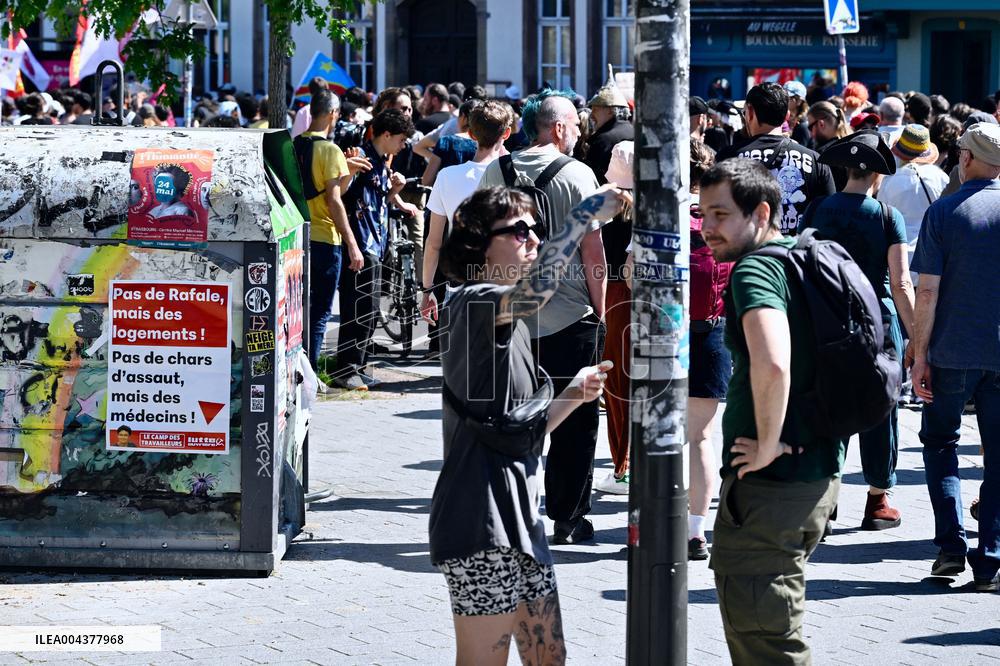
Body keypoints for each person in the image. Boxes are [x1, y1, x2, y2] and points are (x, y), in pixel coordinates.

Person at [429, 185, 623, 665]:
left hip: (519, 521)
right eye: (519, 230)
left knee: (547, 658)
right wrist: (580, 218)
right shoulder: (473, 303)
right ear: (479, 242)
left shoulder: (505, 318)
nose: (532, 238)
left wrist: (573, 395)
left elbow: (521, 433)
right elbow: (537, 292)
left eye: (535, 228)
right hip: (480, 522)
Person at [702, 158, 844, 663]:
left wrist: (766, 444)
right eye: (703, 214)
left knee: (766, 639)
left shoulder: (756, 268)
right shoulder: (801, 257)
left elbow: (773, 361)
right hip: (814, 471)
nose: (707, 228)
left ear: (761, 212)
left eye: (720, 215)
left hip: (775, 485)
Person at [477, 90, 606, 544]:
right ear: (557, 128)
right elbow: (594, 253)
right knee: (576, 419)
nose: (577, 132)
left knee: (511, 418)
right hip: (570, 315)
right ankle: (569, 517)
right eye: (574, 125)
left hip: (511, 316)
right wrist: (603, 310)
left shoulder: (497, 169)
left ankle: (508, 513)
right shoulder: (578, 175)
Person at [801, 131, 916, 531]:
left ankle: (825, 501)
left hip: (826, 318)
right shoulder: (887, 217)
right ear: (877, 176)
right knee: (880, 408)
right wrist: (918, 335)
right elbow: (901, 283)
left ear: (845, 170)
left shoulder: (817, 209)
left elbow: (802, 266)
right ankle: (877, 499)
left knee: (830, 405)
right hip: (877, 321)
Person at [909, 123, 1000, 592]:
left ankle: (951, 547)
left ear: (965, 158)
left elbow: (927, 290)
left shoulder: (945, 211)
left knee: (941, 442)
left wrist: (919, 354)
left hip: (951, 350)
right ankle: (991, 561)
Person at [421, 100, 514, 348]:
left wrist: (427, 289)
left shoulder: (447, 176)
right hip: (504, 278)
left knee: (463, 358)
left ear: (470, 133)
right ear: (506, 133)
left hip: (461, 279)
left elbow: (434, 242)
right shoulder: (514, 176)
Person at [333, 108, 415, 390]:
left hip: (375, 244)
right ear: (387, 134)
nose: (403, 146)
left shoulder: (381, 162)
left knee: (369, 311)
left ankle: (361, 364)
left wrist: (395, 192)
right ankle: (346, 368)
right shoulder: (362, 158)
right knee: (357, 309)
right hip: (361, 244)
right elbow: (340, 197)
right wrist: (353, 246)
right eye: (401, 139)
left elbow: (379, 202)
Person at [293, 90, 369, 370]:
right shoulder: (330, 149)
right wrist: (352, 244)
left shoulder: (293, 145)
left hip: (298, 238)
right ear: (333, 114)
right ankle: (309, 376)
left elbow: (331, 188)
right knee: (320, 313)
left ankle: (294, 373)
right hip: (325, 238)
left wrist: (347, 171)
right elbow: (334, 200)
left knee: (297, 311)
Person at [685, 138, 733, 558]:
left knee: (658, 434)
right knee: (701, 436)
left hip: (664, 332)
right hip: (714, 331)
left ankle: (652, 523)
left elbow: (629, 270)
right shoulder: (723, 218)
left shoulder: (659, 216)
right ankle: (696, 531)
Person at [717, 82, 836, 235]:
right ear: (787, 115)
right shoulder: (815, 160)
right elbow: (829, 216)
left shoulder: (727, 158)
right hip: (798, 253)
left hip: (746, 252)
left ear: (750, 112)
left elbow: (717, 211)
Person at [876, 124, 949, 266]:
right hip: (932, 258)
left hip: (898, 259)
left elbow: (882, 220)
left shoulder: (889, 181)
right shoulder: (941, 178)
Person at [419, 99, 481, 187]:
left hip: (447, 196)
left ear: (463, 116)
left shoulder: (446, 142)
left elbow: (427, 180)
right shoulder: (487, 144)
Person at [783, 80, 812, 149]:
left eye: (787, 97)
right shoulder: (783, 118)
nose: (782, 100)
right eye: (782, 96)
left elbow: (801, 150)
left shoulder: (804, 125)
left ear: (799, 101)